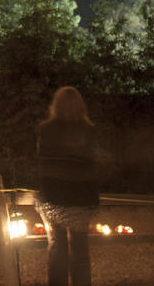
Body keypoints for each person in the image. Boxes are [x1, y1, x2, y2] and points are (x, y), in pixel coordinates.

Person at [35, 86, 99, 286]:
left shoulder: (47, 129)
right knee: (79, 250)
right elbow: (92, 164)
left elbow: (42, 162)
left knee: (57, 247)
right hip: (80, 197)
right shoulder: (89, 130)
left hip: (55, 195)